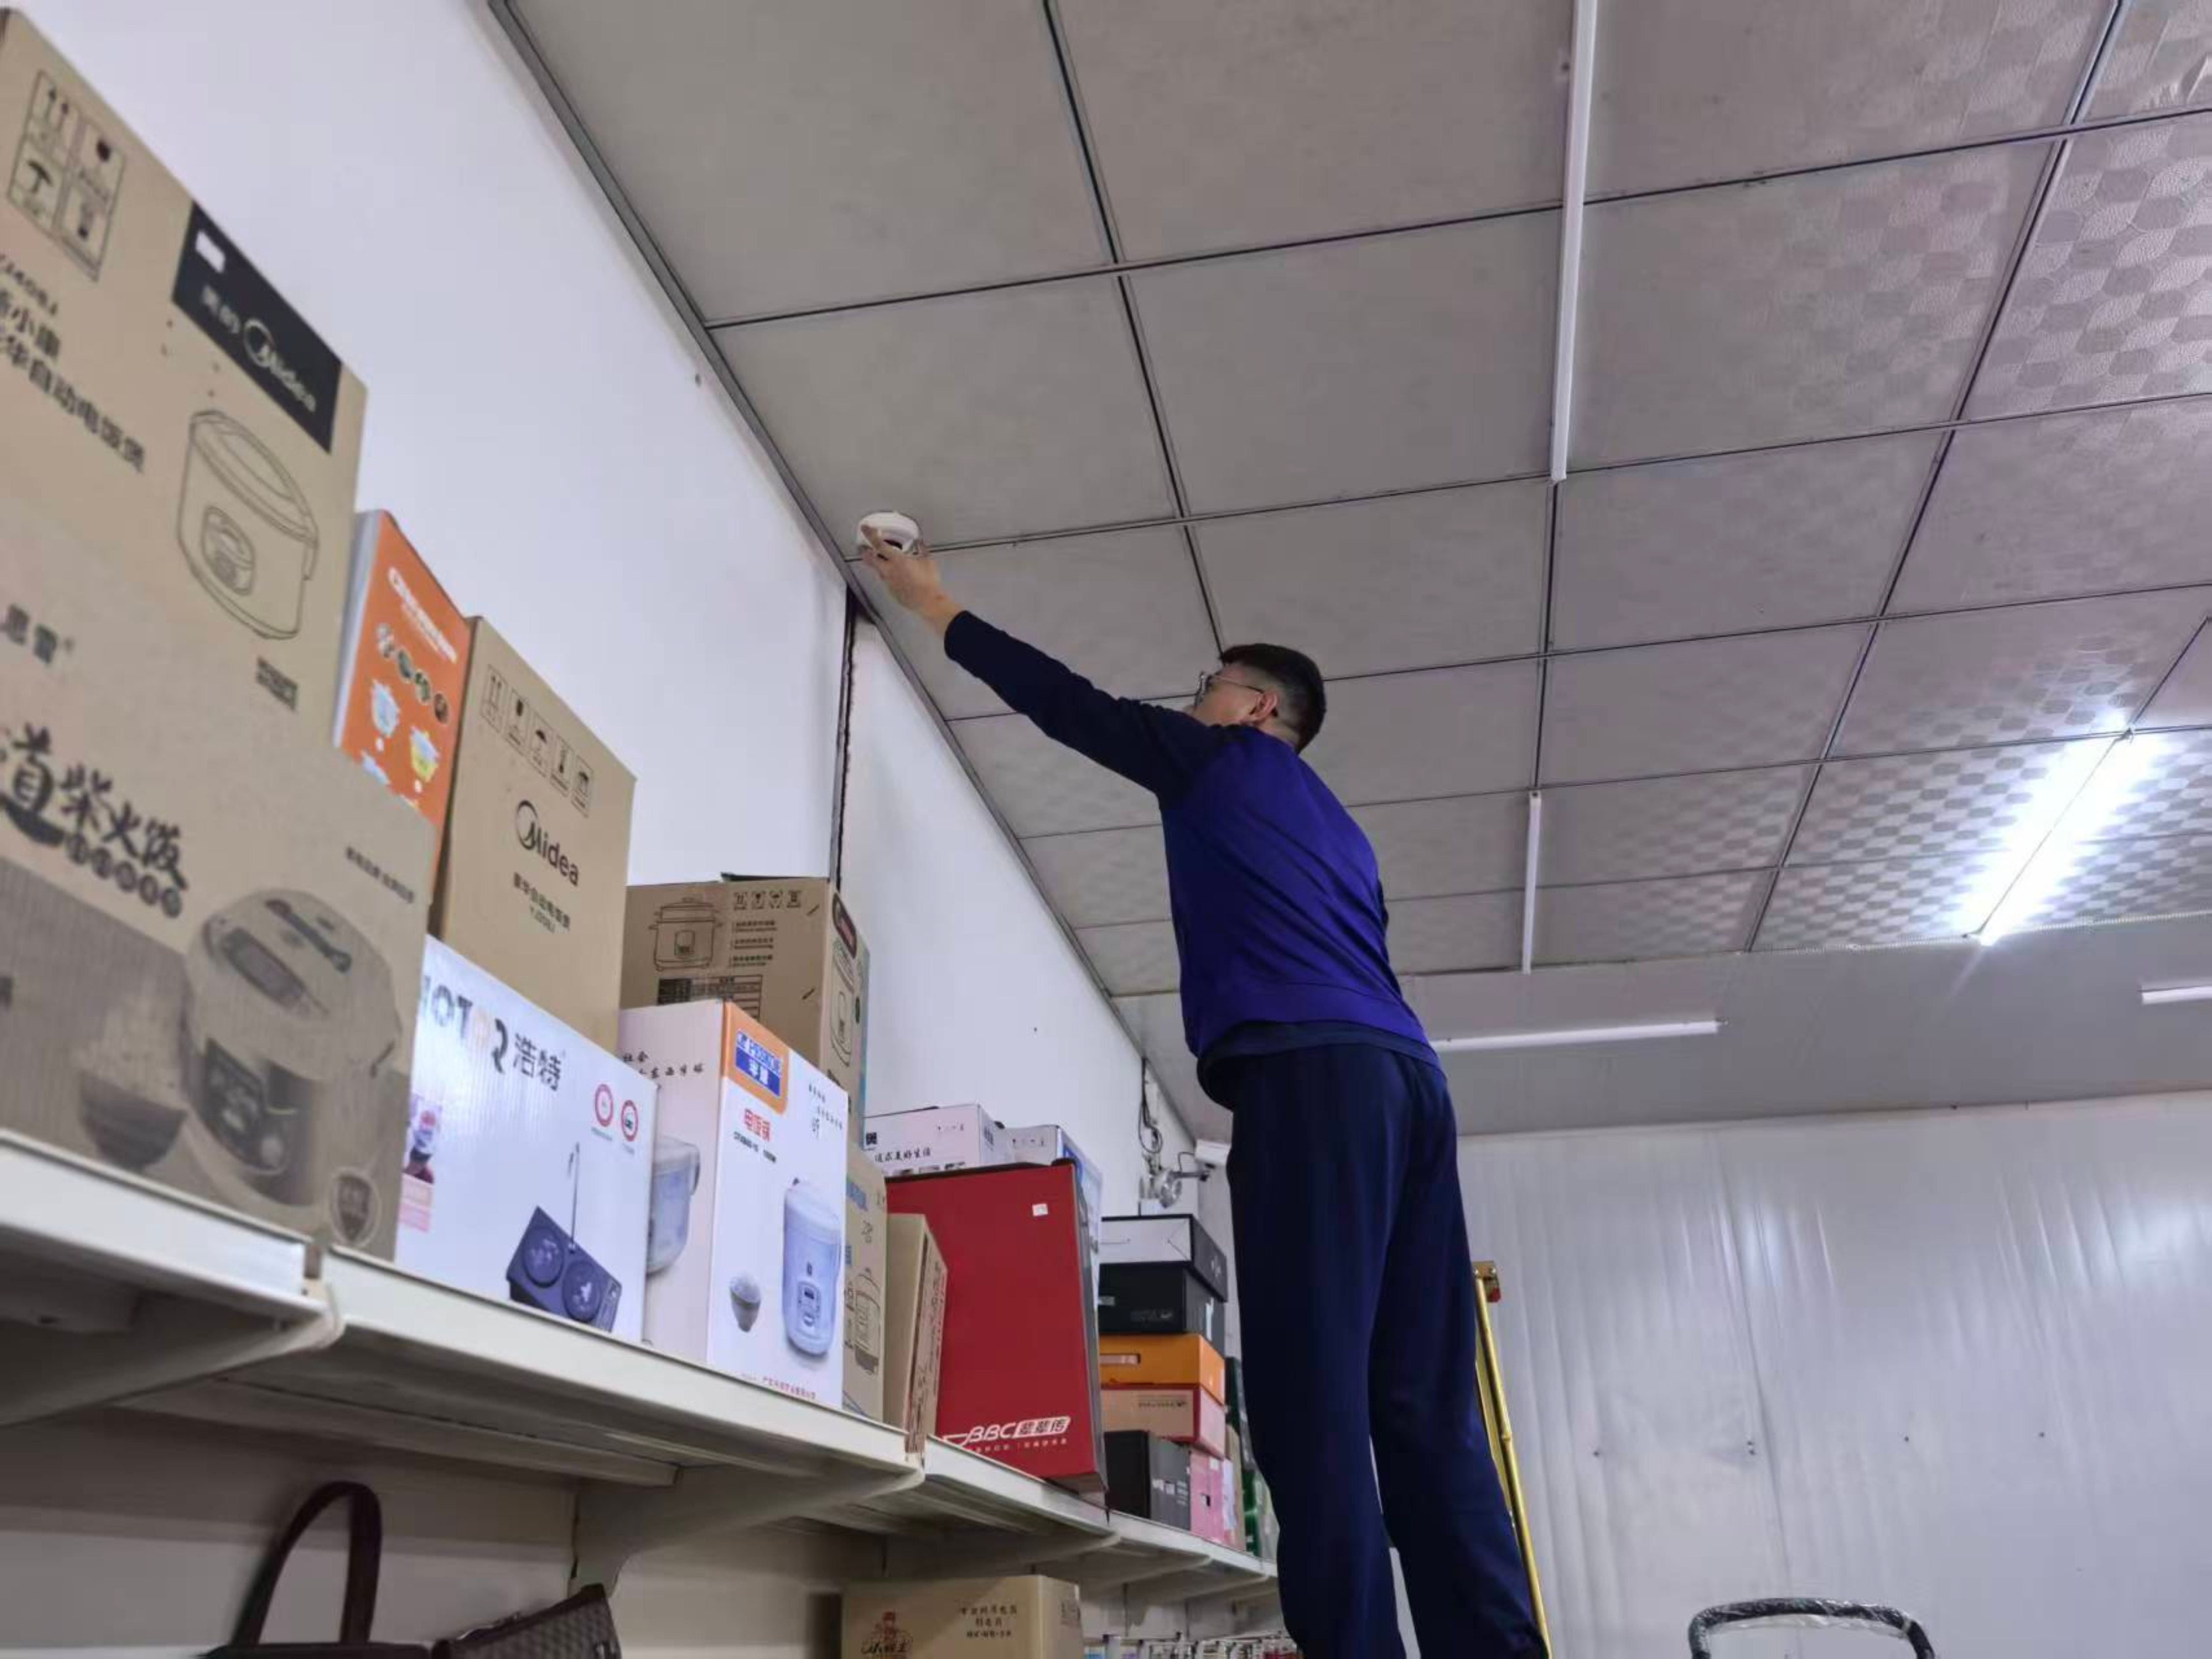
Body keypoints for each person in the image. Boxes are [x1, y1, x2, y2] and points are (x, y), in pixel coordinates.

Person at [863, 526, 1546, 1659]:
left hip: (1313, 1078)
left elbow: (1064, 702)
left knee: (1312, 1394)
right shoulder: (1347, 834)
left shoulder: (1223, 761)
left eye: (1209, 684)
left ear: (1257, 708)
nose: (1193, 699)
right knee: (1425, 1402)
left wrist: (931, 601)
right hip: (1411, 1083)